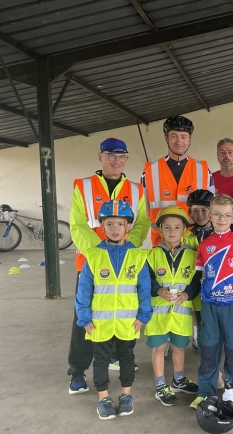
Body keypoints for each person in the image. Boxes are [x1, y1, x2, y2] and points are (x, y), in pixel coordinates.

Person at [68, 137, 150, 395]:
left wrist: (125, 247)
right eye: (111, 155)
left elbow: (142, 223)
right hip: (92, 262)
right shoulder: (83, 186)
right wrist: (98, 251)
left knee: (123, 310)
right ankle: (78, 371)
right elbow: (77, 224)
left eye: (122, 156)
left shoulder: (137, 189)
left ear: (126, 159)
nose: (117, 160)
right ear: (100, 157)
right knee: (86, 318)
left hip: (125, 262)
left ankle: (115, 357)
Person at [74, 200, 152, 420]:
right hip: (100, 323)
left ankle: (126, 395)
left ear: (128, 226)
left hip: (128, 322)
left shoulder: (138, 256)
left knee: (127, 358)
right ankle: (103, 397)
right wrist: (84, 318)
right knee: (101, 361)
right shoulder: (94, 256)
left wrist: (143, 316)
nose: (115, 228)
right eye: (109, 224)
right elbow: (84, 291)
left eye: (120, 223)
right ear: (102, 226)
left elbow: (144, 290)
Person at [191, 194, 233, 410]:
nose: (221, 219)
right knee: (208, 347)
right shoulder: (204, 245)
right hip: (208, 305)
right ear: (210, 215)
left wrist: (227, 292)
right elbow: (200, 275)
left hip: (232, 306)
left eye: (226, 215)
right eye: (216, 214)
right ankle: (205, 392)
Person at [145, 206, 201, 407]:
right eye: (167, 227)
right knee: (159, 347)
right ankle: (160, 387)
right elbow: (146, 281)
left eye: (177, 227)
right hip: (158, 314)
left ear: (184, 230)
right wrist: (158, 291)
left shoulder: (193, 256)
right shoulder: (151, 256)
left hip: (181, 313)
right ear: (160, 230)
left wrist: (188, 294)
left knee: (179, 347)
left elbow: (195, 282)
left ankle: (178, 380)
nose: (172, 231)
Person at [142, 115, 215, 247]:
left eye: (184, 136)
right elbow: (142, 211)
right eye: (174, 136)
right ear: (166, 138)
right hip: (161, 244)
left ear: (190, 139)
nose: (179, 141)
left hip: (195, 244)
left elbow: (212, 208)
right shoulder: (149, 171)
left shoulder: (203, 170)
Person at [186, 189, 225, 390]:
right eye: (195, 211)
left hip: (219, 294)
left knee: (216, 335)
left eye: (204, 210)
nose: (200, 215)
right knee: (204, 336)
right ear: (190, 213)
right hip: (197, 295)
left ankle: (214, 368)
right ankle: (211, 371)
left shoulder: (222, 233)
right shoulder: (186, 236)